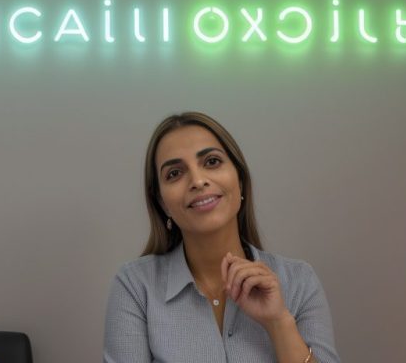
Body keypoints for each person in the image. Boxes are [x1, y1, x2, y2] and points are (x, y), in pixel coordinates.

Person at [103, 112, 341, 363]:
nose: (197, 181)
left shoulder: (299, 281)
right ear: (163, 203)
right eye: (174, 173)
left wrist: (278, 321)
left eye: (212, 162)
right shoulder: (135, 287)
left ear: (239, 179)